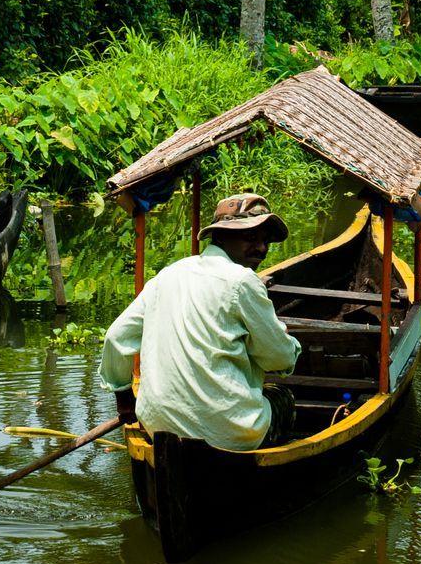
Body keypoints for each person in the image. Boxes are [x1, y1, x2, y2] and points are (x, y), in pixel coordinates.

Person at [100, 192, 302, 452]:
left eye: (265, 240)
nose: (261, 248)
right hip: (228, 432)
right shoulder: (242, 282)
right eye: (250, 237)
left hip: (157, 425)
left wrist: (124, 397)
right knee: (282, 398)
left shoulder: (168, 275)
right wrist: (291, 345)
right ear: (221, 235)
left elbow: (116, 337)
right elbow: (279, 359)